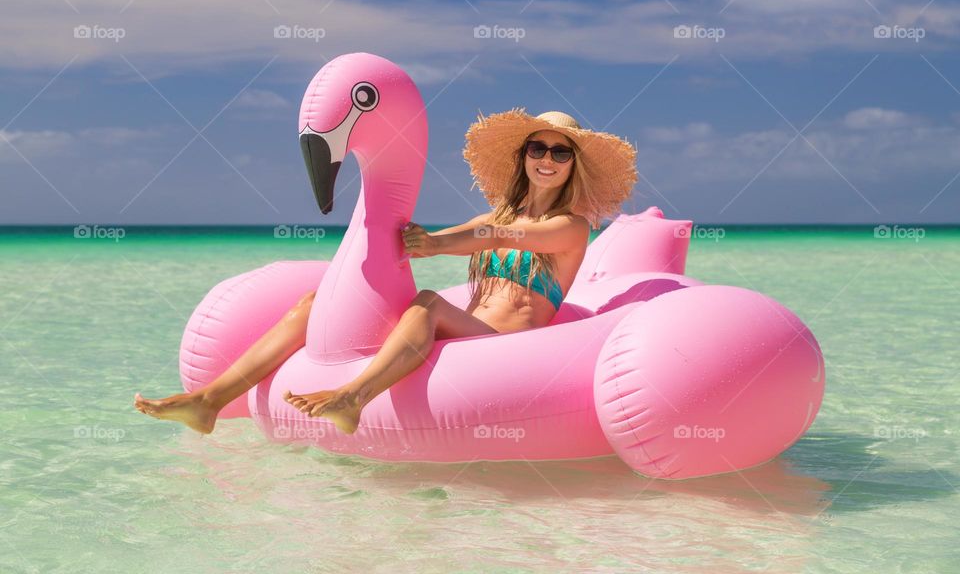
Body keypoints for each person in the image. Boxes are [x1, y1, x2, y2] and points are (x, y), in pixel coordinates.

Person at [134, 109, 638, 435]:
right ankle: (209, 400)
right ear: (523, 157)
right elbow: (469, 232)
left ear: (573, 164)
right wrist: (412, 239)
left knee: (429, 303)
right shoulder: (496, 216)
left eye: (560, 151)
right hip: (467, 333)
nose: (546, 159)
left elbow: (499, 238)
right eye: (537, 148)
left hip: (508, 345)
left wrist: (438, 244)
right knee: (315, 303)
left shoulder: (571, 226)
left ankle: (353, 397)